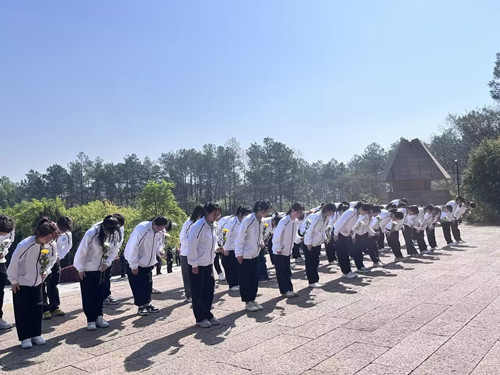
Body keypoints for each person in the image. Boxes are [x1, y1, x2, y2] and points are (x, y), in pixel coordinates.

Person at [7, 218, 58, 348]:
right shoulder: (25, 244)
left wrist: (46, 271)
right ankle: (25, 337)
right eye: (47, 238)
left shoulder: (51, 244)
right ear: (40, 234)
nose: (49, 241)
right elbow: (13, 262)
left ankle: (36, 334)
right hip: (21, 282)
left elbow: (53, 259)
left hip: (38, 281)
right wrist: (13, 280)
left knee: (37, 308)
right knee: (23, 309)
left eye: (51, 238)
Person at [74, 215, 121, 330]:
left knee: (100, 293)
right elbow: (82, 251)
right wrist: (80, 268)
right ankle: (90, 319)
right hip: (88, 269)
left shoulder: (115, 234)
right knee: (89, 294)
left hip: (102, 268)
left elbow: (115, 249)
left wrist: (108, 262)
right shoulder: (91, 233)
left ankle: (99, 316)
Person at [124, 216, 172, 316]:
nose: (161, 230)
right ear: (154, 224)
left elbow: (159, 243)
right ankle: (141, 306)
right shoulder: (142, 229)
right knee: (138, 285)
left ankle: (147, 303)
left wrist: (160, 251)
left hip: (148, 262)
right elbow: (133, 247)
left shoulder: (161, 231)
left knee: (148, 284)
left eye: (163, 228)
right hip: (137, 261)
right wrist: (133, 265)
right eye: (159, 228)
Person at [187, 202, 222, 328]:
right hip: (197, 264)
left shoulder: (214, 225)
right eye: (215, 214)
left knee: (209, 290)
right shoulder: (198, 226)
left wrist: (217, 248)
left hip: (208, 263)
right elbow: (191, 245)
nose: (216, 217)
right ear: (207, 212)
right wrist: (194, 264)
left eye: (218, 215)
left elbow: (214, 241)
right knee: (198, 292)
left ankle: (208, 313)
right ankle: (200, 317)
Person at [235, 200, 272, 312]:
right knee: (246, 279)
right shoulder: (248, 220)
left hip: (255, 254)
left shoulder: (261, 220)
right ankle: (247, 301)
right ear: (261, 210)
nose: (268, 213)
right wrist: (239, 253)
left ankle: (252, 299)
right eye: (268, 210)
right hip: (245, 254)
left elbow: (258, 235)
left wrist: (260, 242)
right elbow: (240, 238)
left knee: (253, 279)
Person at [42, 215, 73, 320]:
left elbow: (68, 246)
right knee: (43, 284)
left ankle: (54, 306)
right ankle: (44, 308)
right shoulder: (48, 229)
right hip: (44, 261)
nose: (62, 232)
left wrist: (60, 256)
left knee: (54, 283)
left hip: (56, 261)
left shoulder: (67, 234)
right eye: (61, 229)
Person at [272, 203, 304, 298]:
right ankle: (284, 291)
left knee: (287, 271)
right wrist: (278, 247)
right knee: (281, 272)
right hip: (279, 251)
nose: (299, 215)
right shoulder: (284, 221)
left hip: (287, 250)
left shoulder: (296, 221)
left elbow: (295, 235)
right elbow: (276, 236)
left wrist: (299, 239)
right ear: (293, 210)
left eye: (300, 213)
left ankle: (290, 289)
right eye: (298, 212)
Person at [303, 203, 336, 287]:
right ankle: (312, 282)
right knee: (310, 263)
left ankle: (315, 280)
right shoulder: (316, 217)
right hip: (310, 243)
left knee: (315, 262)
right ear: (326, 210)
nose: (332, 214)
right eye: (331, 212)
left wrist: (325, 238)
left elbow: (324, 230)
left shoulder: (326, 218)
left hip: (317, 243)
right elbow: (308, 231)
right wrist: (308, 243)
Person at [222, 205, 252, 291]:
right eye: (246, 214)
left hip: (239, 249)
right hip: (230, 248)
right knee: (230, 267)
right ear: (240, 214)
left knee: (238, 267)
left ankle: (238, 283)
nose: (247, 217)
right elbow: (225, 235)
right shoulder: (231, 222)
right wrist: (225, 248)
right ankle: (232, 284)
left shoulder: (246, 223)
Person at [179, 205, 204, 303]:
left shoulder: (201, 224)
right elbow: (183, 237)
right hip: (186, 253)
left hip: (197, 253)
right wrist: (192, 244)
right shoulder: (188, 223)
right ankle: (188, 295)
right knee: (187, 275)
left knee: (196, 274)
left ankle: (197, 293)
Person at [101, 213, 125, 306]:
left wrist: (111, 257)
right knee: (100, 278)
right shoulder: (102, 227)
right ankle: (100, 298)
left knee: (107, 276)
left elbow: (119, 242)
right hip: (99, 256)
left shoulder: (120, 229)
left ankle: (107, 295)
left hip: (110, 254)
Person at [0, 215, 15, 330]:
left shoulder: (10, 230)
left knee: (0, 291)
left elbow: (8, 244)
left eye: (5, 233)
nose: (3, 235)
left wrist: (4, 252)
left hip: (1, 263)